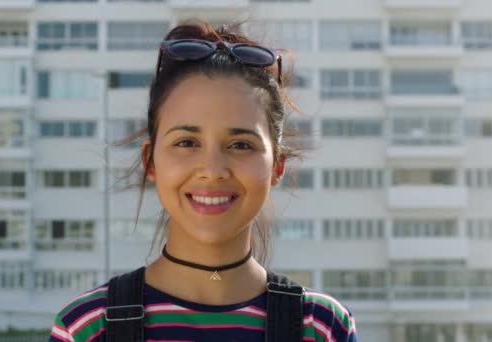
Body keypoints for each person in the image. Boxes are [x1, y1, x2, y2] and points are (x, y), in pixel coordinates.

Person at [49, 19, 358, 342]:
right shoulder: (88, 327)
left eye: (241, 145)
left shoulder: (322, 326)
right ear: (149, 161)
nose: (212, 170)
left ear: (278, 166)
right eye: (186, 143)